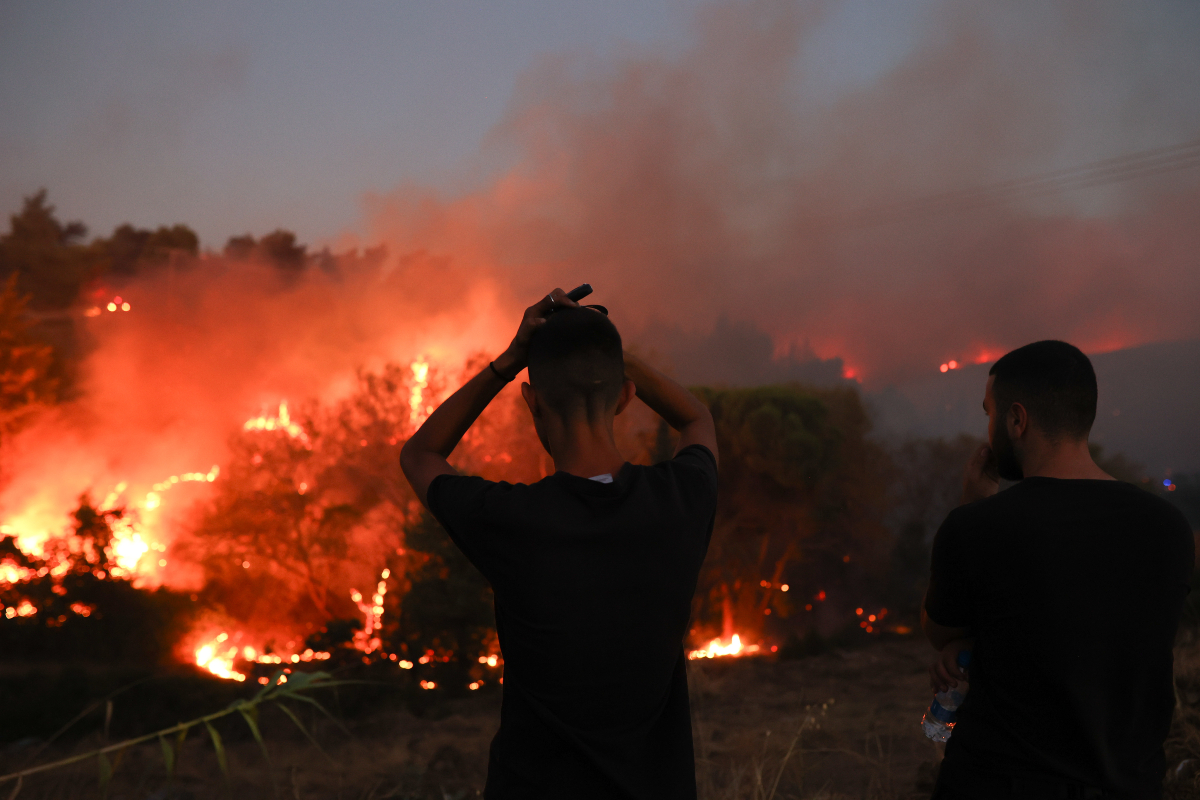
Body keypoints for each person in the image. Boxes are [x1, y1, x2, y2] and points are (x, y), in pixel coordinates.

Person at [400, 287, 719, 798]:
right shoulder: (680, 500)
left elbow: (420, 455)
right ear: (626, 396)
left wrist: (510, 361)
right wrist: (610, 352)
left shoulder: (512, 522)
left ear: (532, 403)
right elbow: (696, 418)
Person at [922, 340, 1194, 799]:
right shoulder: (1167, 527)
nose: (989, 430)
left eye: (991, 414)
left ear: (1016, 420)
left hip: (1000, 783)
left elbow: (940, 629)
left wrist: (970, 508)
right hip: (1129, 784)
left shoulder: (977, 526)